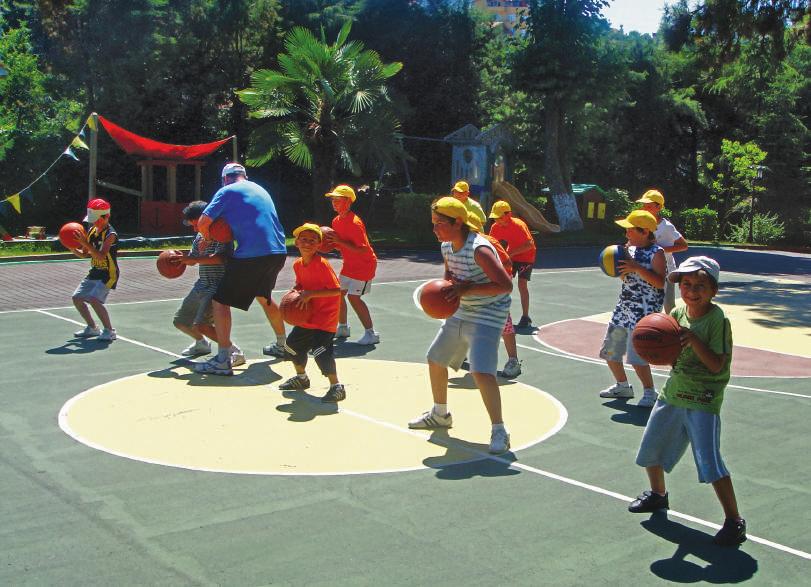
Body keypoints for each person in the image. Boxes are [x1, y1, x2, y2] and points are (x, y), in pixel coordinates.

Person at [629, 256, 746, 547]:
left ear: (714, 290)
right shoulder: (678, 313)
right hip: (673, 393)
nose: (692, 291)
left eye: (700, 286)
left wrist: (694, 340)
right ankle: (658, 495)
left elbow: (717, 365)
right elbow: (671, 353)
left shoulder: (717, 320)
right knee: (650, 448)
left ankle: (734, 520)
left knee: (710, 462)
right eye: (687, 284)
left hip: (703, 400)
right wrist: (657, 351)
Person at [408, 197, 513, 454]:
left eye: (439, 223)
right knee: (435, 359)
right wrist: (446, 294)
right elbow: (450, 276)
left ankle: (499, 430)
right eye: (433, 223)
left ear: (457, 222)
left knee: (481, 372)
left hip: (489, 313)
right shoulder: (447, 245)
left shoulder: (480, 249)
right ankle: (440, 413)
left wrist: (468, 289)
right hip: (463, 309)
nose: (434, 229)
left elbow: (505, 285)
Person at [195, 163, 287, 376]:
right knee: (264, 296)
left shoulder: (226, 191)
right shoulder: (260, 189)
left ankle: (223, 358)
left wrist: (207, 238)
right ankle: (283, 344)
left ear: (225, 179)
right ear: (244, 176)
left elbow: (202, 222)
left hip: (252, 253)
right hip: (278, 250)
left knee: (220, 301)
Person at [598, 209, 666, 408]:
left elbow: (660, 283)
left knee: (637, 358)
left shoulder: (657, 254)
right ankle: (622, 386)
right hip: (624, 308)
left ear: (645, 231)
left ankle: (649, 392)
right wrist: (617, 269)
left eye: (630, 230)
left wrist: (637, 267)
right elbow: (625, 277)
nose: (626, 233)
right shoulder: (629, 250)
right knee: (610, 351)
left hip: (644, 312)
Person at [277, 223, 345, 402]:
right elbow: (302, 285)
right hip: (307, 316)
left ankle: (336, 386)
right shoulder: (298, 264)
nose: (307, 243)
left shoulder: (322, 265)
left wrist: (311, 294)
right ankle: (301, 378)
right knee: (291, 347)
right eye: (304, 239)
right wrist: (295, 291)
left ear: (318, 245)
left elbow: (337, 290)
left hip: (324, 319)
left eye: (312, 240)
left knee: (320, 352)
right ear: (296, 242)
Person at [172, 201, 232, 356]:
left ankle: (233, 350)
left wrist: (195, 259)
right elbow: (193, 259)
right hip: (202, 284)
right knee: (180, 321)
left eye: (196, 224)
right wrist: (178, 260)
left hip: (217, 287)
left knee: (202, 325)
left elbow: (221, 258)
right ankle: (201, 343)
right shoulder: (199, 236)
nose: (194, 229)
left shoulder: (222, 232)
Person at [324, 184, 380, 345]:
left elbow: (362, 250)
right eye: (333, 200)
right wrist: (329, 245)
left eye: (338, 200)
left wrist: (339, 241)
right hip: (349, 265)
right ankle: (343, 327)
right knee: (338, 294)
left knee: (354, 297)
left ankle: (371, 333)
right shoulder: (336, 221)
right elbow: (342, 244)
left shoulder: (355, 223)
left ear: (348, 202)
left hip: (364, 265)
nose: (334, 203)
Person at [467, 215, 522, 378]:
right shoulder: (460, 245)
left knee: (504, 323)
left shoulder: (487, 242)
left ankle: (513, 360)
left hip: (494, 289)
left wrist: (498, 282)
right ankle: (474, 357)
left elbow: (507, 264)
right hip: (476, 290)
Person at [69, 198, 119, 342]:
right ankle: (92, 328)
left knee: (94, 299)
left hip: (109, 273)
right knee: (77, 298)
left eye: (97, 219)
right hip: (95, 271)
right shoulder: (92, 231)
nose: (94, 222)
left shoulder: (110, 235)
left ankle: (110, 331)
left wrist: (85, 243)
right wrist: (71, 246)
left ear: (106, 217)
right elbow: (84, 253)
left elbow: (101, 255)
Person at [637, 189, 688, 313]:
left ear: (658, 207)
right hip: (649, 270)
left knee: (668, 305)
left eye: (648, 206)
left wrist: (659, 250)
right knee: (647, 303)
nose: (645, 208)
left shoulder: (666, 226)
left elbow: (683, 245)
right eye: (644, 206)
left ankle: (674, 330)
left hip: (667, 271)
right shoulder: (642, 224)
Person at [488, 200, 537, 329]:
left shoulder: (519, 225)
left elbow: (529, 244)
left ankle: (525, 317)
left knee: (522, 284)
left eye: (499, 217)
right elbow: (491, 244)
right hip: (511, 256)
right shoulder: (495, 227)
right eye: (495, 217)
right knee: (503, 282)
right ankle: (498, 312)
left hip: (527, 256)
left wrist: (510, 253)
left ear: (508, 214)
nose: (497, 220)